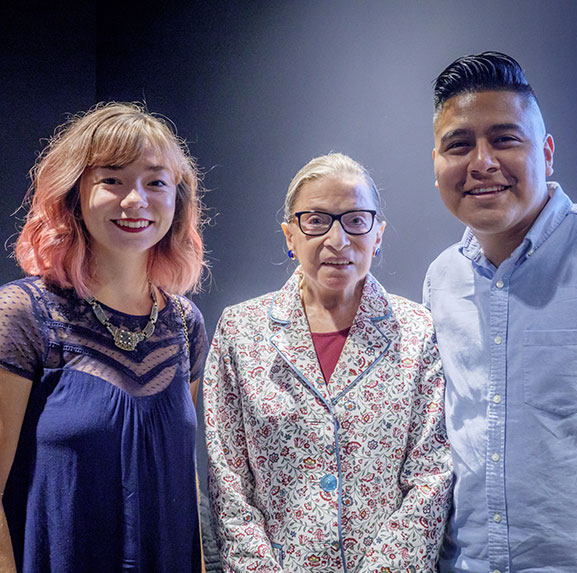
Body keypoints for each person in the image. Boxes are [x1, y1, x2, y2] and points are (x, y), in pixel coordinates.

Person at [424, 51, 577, 572]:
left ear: (546, 152)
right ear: (437, 167)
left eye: (504, 139)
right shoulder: (441, 280)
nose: (481, 162)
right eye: (459, 145)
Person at [204, 153, 452, 572]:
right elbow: (228, 482)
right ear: (289, 235)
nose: (337, 241)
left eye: (356, 220)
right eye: (316, 221)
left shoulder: (416, 330)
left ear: (378, 234)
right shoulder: (240, 332)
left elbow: (431, 476)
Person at [0, 102, 209, 572]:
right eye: (112, 179)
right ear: (74, 194)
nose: (135, 200)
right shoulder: (24, 314)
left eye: (155, 181)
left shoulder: (184, 324)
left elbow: (184, 485)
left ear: (177, 199)